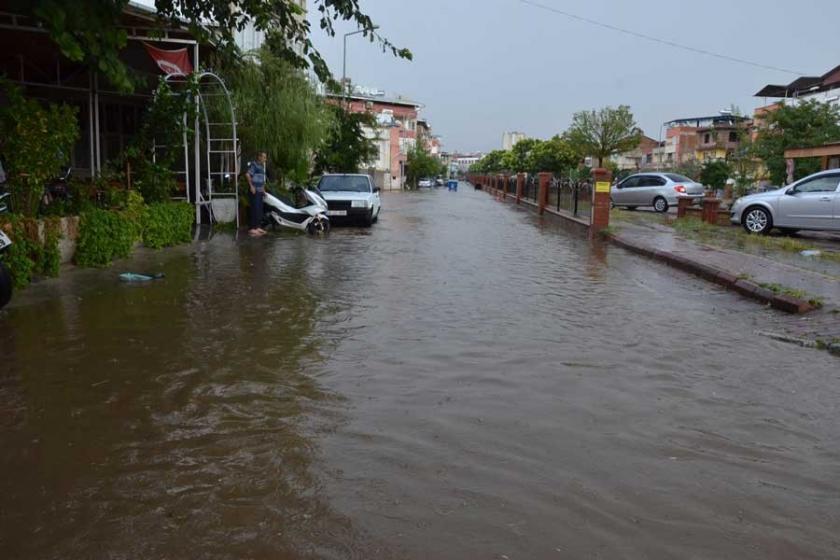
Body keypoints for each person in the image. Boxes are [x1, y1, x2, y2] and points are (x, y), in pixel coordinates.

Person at [246, 152, 268, 236]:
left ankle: (258, 227)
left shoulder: (262, 167)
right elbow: (248, 175)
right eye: (264, 157)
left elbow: (261, 180)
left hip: (259, 191)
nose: (265, 159)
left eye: (265, 157)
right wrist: (251, 186)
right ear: (259, 157)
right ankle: (252, 228)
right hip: (254, 190)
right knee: (254, 209)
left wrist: (263, 190)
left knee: (259, 209)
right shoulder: (254, 165)